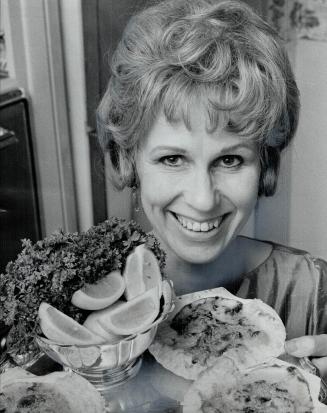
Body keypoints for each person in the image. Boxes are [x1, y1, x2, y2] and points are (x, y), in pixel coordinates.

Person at [97, 0, 327, 380]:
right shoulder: (80, 300)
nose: (202, 199)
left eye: (230, 160)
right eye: (172, 159)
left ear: (265, 164)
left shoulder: (314, 290)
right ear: (128, 160)